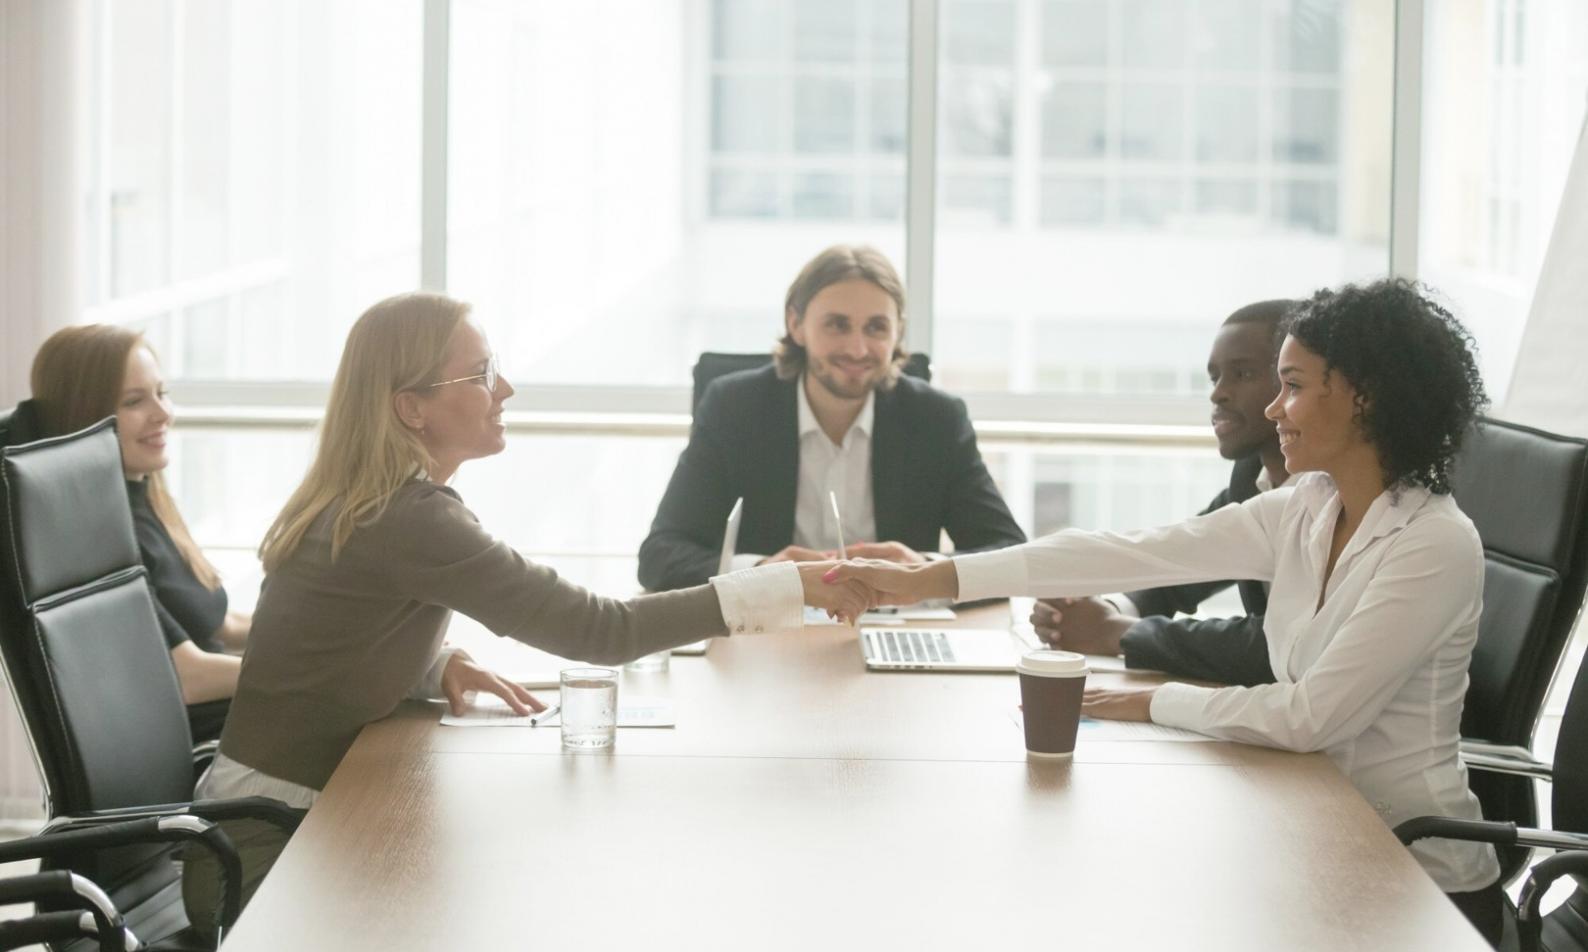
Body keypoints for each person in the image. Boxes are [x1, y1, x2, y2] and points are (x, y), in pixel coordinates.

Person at [825, 279, 1504, 944]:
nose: (1274, 409)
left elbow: (1309, 719)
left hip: (1416, 881)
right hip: (1308, 832)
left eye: (1293, 386)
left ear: (1364, 396)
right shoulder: (1309, 507)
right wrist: (927, 579)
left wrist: (1151, 702)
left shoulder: (1433, 544)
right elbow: (1133, 553)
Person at [183, 291, 863, 936]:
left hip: (260, 824)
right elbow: (604, 630)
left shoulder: (369, 501)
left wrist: (435, 662)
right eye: (482, 375)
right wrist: (785, 588)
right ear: (412, 408)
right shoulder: (409, 519)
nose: (505, 389)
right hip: (270, 854)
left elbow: (332, 637)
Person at [637, 244, 1025, 593]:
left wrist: (923, 573)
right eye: (837, 325)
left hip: (890, 626)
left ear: (898, 333)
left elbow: (1008, 553)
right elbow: (660, 555)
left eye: (876, 328)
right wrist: (760, 572)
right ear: (796, 325)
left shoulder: (937, 419)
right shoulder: (734, 408)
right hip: (771, 625)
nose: (857, 349)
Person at [1032, 300, 1294, 687]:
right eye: (1214, 378)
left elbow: (1277, 643)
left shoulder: (1340, 496)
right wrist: (1099, 610)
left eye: (1242, 373)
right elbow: (1181, 568)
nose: (1218, 394)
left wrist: (1117, 632)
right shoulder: (1251, 476)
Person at [30, 325, 248, 743]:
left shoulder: (144, 497)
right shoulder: (100, 536)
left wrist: (327, 639)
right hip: (209, 741)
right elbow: (188, 677)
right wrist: (308, 675)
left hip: (237, 721)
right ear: (84, 415)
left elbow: (224, 624)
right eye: (134, 401)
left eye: (161, 392)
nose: (162, 413)